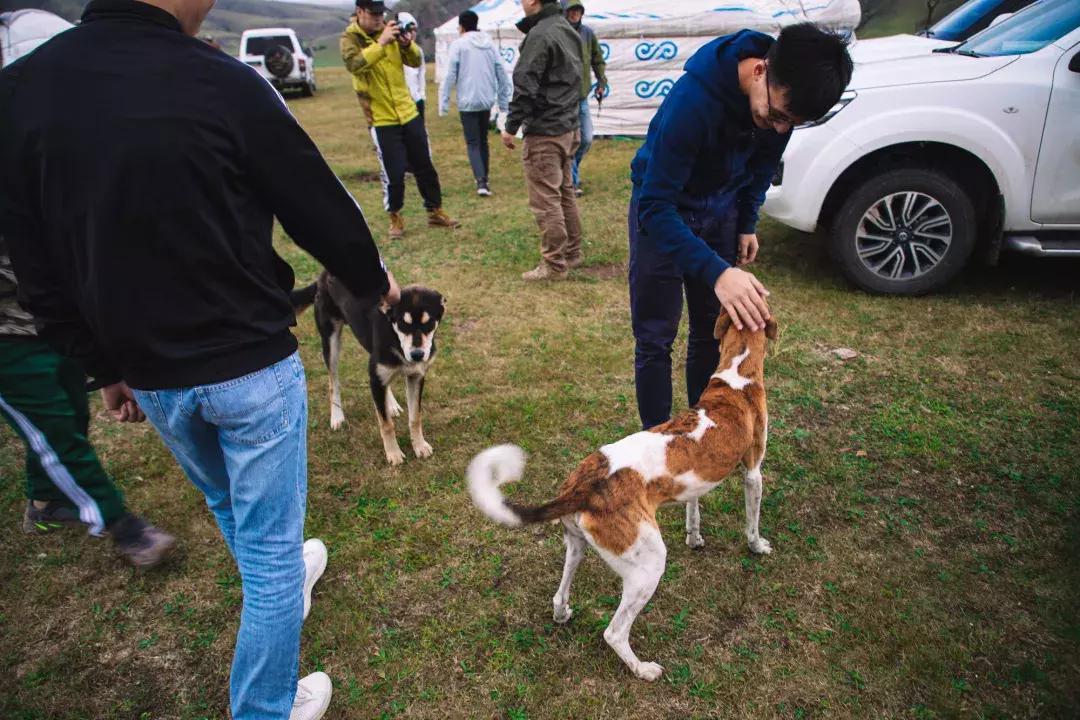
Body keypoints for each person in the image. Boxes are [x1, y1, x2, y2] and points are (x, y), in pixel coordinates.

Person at [0, 0, 401, 717]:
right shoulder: (218, 78)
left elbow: (35, 260)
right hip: (247, 362)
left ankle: (283, 586)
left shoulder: (23, 88)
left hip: (147, 370)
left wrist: (100, 366)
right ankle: (265, 708)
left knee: (233, 506)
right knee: (271, 552)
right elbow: (314, 198)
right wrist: (371, 281)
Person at [629, 23, 852, 430]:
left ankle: (700, 432)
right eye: (779, 115)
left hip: (722, 211)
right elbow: (655, 205)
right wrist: (717, 272)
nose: (781, 129)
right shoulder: (693, 102)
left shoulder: (779, 109)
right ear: (760, 71)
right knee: (655, 337)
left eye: (792, 123)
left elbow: (761, 168)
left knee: (707, 333)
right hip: (662, 213)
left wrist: (746, 222)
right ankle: (654, 442)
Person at [0, 235, 175, 566]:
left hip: (48, 319)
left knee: (72, 416)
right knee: (55, 436)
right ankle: (125, 528)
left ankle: (45, 502)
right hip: (7, 341)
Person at [342, 0, 458, 239]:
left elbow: (415, 61)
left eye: (380, 14)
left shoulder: (391, 30)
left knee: (424, 165)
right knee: (393, 173)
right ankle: (395, 215)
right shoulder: (350, 39)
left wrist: (408, 45)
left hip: (408, 111)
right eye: (373, 14)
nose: (377, 19)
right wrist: (381, 42)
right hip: (381, 117)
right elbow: (355, 65)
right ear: (360, 12)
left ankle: (435, 210)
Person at [501, 0, 583, 281]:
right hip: (568, 125)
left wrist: (510, 126)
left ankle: (554, 265)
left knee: (546, 199)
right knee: (564, 193)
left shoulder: (541, 34)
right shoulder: (566, 27)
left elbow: (525, 84)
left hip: (546, 130)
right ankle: (572, 252)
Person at [439, 9, 512, 197]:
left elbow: (450, 75)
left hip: (467, 101)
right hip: (487, 99)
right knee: (483, 140)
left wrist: (444, 103)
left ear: (461, 26)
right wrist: (503, 102)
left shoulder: (459, 45)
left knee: (472, 142)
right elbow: (501, 73)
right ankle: (484, 177)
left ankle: (481, 182)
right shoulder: (489, 44)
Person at [564, 0, 606, 197]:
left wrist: (601, 81)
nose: (575, 14)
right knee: (572, 140)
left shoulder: (587, 33)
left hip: (582, 96)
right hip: (563, 98)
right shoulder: (559, 32)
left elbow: (597, 58)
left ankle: (571, 172)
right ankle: (572, 181)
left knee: (586, 138)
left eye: (578, 10)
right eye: (571, 10)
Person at [398, 12, 426, 118]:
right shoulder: (395, 49)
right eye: (410, 30)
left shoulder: (418, 50)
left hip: (417, 98)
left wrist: (422, 96)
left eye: (415, 30)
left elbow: (421, 75)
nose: (413, 33)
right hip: (402, 101)